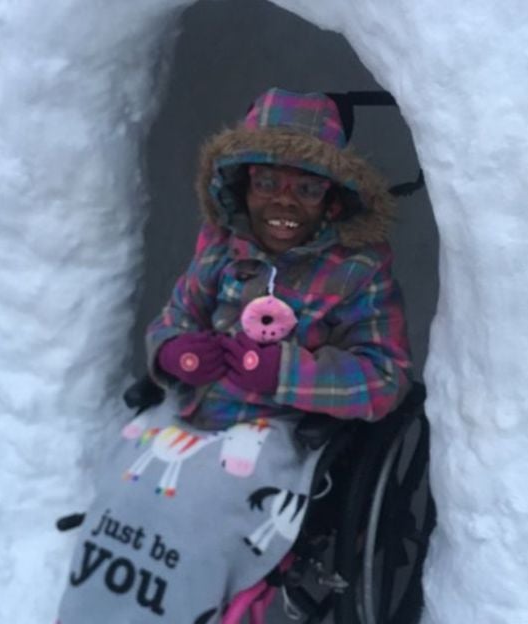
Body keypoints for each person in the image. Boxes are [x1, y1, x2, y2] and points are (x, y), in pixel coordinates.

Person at [57, 87, 412, 624]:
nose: (284, 201)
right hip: (195, 408)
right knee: (123, 487)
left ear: (334, 199)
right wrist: (176, 352)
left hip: (282, 428)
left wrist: (286, 373)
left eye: (307, 187)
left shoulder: (357, 270)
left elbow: (385, 377)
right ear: (243, 187)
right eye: (267, 182)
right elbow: (172, 319)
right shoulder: (222, 249)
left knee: (198, 508)